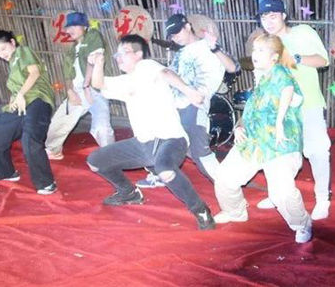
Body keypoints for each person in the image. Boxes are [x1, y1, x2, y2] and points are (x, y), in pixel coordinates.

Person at [86, 34, 215, 230]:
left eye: (124, 52)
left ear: (139, 54)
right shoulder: (124, 82)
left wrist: (188, 90)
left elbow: (166, 73)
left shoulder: (146, 67)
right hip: (143, 144)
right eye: (117, 54)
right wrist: (97, 62)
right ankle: (128, 192)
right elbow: (98, 84)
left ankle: (200, 209)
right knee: (95, 161)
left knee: (165, 170)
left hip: (171, 140)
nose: (119, 57)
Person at [213, 34, 312, 244]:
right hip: (254, 141)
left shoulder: (281, 73)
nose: (254, 54)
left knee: (281, 193)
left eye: (260, 50)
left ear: (274, 57)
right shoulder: (261, 79)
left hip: (279, 144)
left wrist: (279, 123)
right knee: (224, 178)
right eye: (254, 49)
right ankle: (236, 212)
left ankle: (302, 224)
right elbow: (250, 111)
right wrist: (239, 127)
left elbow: (287, 90)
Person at [257, 0, 332, 220]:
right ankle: (277, 194)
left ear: (284, 15)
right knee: (278, 153)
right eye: (264, 17)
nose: (269, 22)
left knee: (318, 150)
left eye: (273, 16)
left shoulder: (303, 32)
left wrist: (295, 58)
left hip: (308, 103)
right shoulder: (264, 43)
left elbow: (323, 60)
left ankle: (322, 199)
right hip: (280, 108)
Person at [137, 14, 225, 189]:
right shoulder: (181, 53)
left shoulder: (207, 47)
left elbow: (224, 70)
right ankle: (160, 173)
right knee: (158, 140)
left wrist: (200, 94)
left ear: (187, 27)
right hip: (175, 106)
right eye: (172, 35)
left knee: (200, 152)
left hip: (194, 106)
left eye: (177, 32)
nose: (175, 37)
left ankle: (226, 184)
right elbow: (172, 76)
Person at [0, 30, 57, 195]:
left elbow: (34, 73)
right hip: (21, 104)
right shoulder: (12, 64)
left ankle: (46, 183)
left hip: (38, 99)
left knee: (30, 139)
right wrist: (14, 98)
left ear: (12, 42)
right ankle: (5, 172)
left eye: (3, 49)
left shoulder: (23, 51)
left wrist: (21, 94)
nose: (2, 54)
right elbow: (17, 87)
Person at [45, 12, 115, 160]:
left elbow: (94, 60)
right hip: (78, 92)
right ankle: (53, 150)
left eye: (75, 26)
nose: (70, 30)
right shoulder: (71, 51)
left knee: (102, 126)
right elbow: (68, 75)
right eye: (68, 27)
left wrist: (86, 85)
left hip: (95, 89)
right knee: (58, 122)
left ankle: (111, 157)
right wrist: (70, 91)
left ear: (84, 26)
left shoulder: (93, 36)